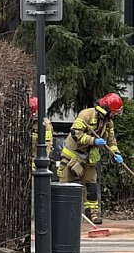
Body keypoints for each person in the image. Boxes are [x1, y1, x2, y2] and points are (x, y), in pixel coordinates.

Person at [58, 93, 125, 224]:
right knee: (66, 186)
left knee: (91, 187)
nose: (114, 115)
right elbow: (76, 134)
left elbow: (111, 141)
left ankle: (92, 215)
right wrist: (93, 140)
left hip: (89, 157)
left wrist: (116, 153)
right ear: (106, 109)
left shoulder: (108, 123)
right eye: (113, 112)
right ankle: (64, 216)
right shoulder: (86, 115)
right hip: (72, 155)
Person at [29, 96, 53, 170]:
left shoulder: (45, 124)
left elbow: (47, 145)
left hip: (36, 161)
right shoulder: (23, 122)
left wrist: (37, 163)